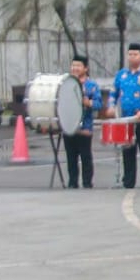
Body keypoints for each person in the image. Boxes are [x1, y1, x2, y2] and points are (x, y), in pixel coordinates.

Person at [111, 43, 140, 189]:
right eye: (130, 54)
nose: (132, 57)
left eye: (135, 54)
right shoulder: (121, 74)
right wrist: (112, 107)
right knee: (128, 152)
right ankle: (128, 181)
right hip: (126, 120)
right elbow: (114, 93)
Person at [61, 55, 103, 189]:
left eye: (78, 66)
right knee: (70, 156)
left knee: (85, 156)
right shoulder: (65, 82)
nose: (75, 68)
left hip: (85, 126)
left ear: (85, 68)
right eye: (73, 65)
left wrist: (88, 102)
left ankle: (87, 182)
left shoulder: (92, 85)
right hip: (69, 126)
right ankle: (72, 181)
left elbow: (99, 104)